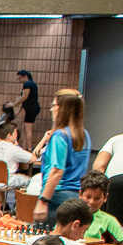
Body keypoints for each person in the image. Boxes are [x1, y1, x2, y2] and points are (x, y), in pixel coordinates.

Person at [35, 90, 90, 225]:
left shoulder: (60, 136)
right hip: (75, 197)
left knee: (46, 243)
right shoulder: (85, 135)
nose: (51, 109)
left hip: (56, 196)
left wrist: (43, 201)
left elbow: (56, 171)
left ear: (62, 108)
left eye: (54, 105)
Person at [0, 122, 36, 194]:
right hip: (7, 181)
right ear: (9, 135)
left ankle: (3, 203)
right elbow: (33, 159)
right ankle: (19, 203)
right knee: (32, 181)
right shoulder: (13, 148)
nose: (16, 136)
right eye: (15, 133)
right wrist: (16, 145)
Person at [11, 69, 40, 148]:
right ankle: (24, 147)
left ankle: (29, 148)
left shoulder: (27, 84)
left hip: (31, 109)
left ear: (25, 76)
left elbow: (24, 97)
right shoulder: (30, 84)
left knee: (28, 129)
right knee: (24, 128)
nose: (19, 80)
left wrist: (13, 104)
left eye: (20, 78)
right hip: (30, 109)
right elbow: (24, 102)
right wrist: (17, 112)